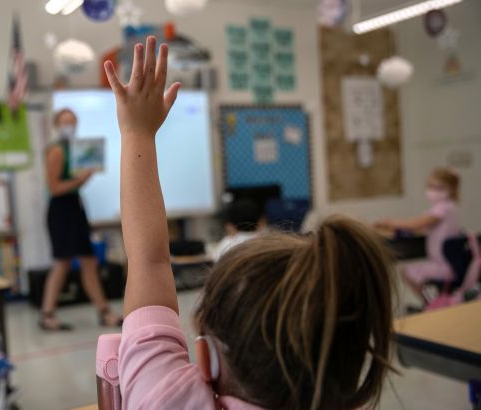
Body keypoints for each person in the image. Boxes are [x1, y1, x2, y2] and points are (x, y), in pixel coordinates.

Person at [104, 36, 395, 409]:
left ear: (206, 358)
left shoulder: (169, 401)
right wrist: (138, 132)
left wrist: (136, 133)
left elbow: (149, 260)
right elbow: (151, 260)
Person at [40, 108, 121, 330]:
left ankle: (103, 311)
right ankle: (47, 313)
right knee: (63, 262)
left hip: (75, 207)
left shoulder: (74, 149)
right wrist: (80, 179)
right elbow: (54, 188)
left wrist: (84, 178)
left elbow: (73, 184)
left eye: (73, 122)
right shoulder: (57, 151)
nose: (70, 127)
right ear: (57, 125)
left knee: (89, 260)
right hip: (61, 210)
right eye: (66, 122)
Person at [375, 167, 462, 304]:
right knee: (409, 271)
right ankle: (433, 303)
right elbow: (420, 228)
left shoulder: (444, 208)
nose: (433, 191)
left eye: (439, 187)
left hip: (446, 265)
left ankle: (431, 304)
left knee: (408, 272)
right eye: (430, 186)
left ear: (451, 189)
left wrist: (390, 222)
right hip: (443, 261)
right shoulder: (442, 207)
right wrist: (394, 228)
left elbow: (416, 224)